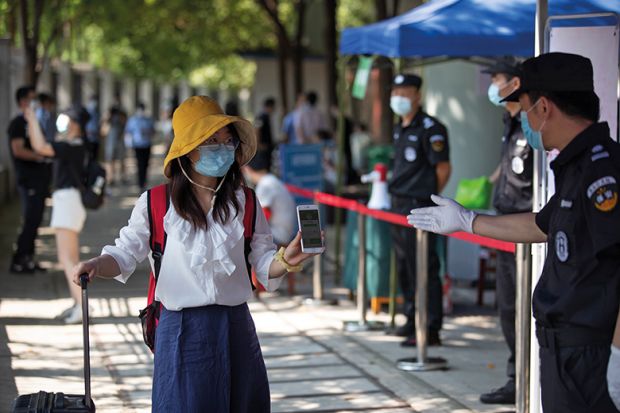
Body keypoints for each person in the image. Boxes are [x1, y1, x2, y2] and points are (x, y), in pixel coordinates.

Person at [70, 96, 322, 412]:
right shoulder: (156, 203)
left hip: (235, 327)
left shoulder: (246, 201)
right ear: (188, 150)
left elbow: (261, 261)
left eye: (228, 140)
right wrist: (95, 264)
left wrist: (286, 260)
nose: (223, 147)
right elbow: (123, 255)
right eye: (212, 140)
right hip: (180, 329)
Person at [408, 52, 620, 413]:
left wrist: (617, 356)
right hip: (565, 347)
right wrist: (469, 221)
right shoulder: (575, 165)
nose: (523, 120)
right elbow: (542, 223)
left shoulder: (603, 171)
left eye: (523, 110)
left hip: (592, 348)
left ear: (544, 107)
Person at [479, 57, 532, 405]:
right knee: (507, 309)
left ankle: (526, 379)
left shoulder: (531, 125)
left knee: (522, 308)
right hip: (505, 231)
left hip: (527, 231)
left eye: (497, 79)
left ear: (515, 84)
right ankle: (516, 377)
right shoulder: (509, 122)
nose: (493, 86)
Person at [388, 73, 451, 347]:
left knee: (424, 267)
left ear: (417, 95)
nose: (400, 97)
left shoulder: (431, 128)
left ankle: (430, 326)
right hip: (398, 205)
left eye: (406, 92)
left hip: (420, 206)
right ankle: (412, 317)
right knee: (405, 266)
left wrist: (428, 198)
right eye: (396, 92)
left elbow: (443, 169)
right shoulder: (400, 127)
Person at [25, 105, 90, 324]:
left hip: (68, 201)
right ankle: (78, 303)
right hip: (69, 201)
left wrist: (32, 119)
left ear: (75, 123)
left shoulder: (71, 146)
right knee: (70, 257)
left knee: (68, 258)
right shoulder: (77, 145)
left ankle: (81, 307)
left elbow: (40, 146)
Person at [8, 85, 50, 274]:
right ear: (23, 101)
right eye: (32, 99)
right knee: (30, 219)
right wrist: (39, 156)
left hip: (39, 180)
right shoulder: (17, 124)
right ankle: (19, 259)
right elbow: (18, 149)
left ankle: (29, 258)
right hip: (28, 179)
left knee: (37, 219)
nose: (36, 103)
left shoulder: (34, 122)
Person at [242, 152, 297, 246]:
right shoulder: (272, 180)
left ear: (247, 169)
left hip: (279, 236)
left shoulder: (265, 185)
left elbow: (262, 216)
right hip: (286, 233)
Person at [125, 102, 155, 192]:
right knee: (139, 164)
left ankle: (144, 182)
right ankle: (140, 183)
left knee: (145, 164)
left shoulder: (148, 120)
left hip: (146, 144)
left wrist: (148, 132)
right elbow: (128, 132)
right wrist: (129, 144)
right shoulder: (132, 120)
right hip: (137, 145)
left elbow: (153, 131)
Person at [103, 96, 127, 186]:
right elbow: (104, 125)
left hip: (119, 138)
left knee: (121, 159)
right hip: (112, 139)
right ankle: (111, 177)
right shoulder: (110, 113)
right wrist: (108, 114)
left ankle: (122, 176)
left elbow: (125, 122)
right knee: (110, 159)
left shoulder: (122, 113)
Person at [254, 97, 276, 170]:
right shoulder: (261, 117)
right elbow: (257, 130)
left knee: (268, 165)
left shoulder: (267, 117)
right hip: (263, 146)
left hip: (267, 145)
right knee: (264, 166)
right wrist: (259, 144)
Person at [85, 95, 101, 161]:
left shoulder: (97, 112)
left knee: (95, 157)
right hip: (89, 138)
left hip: (96, 138)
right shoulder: (87, 111)